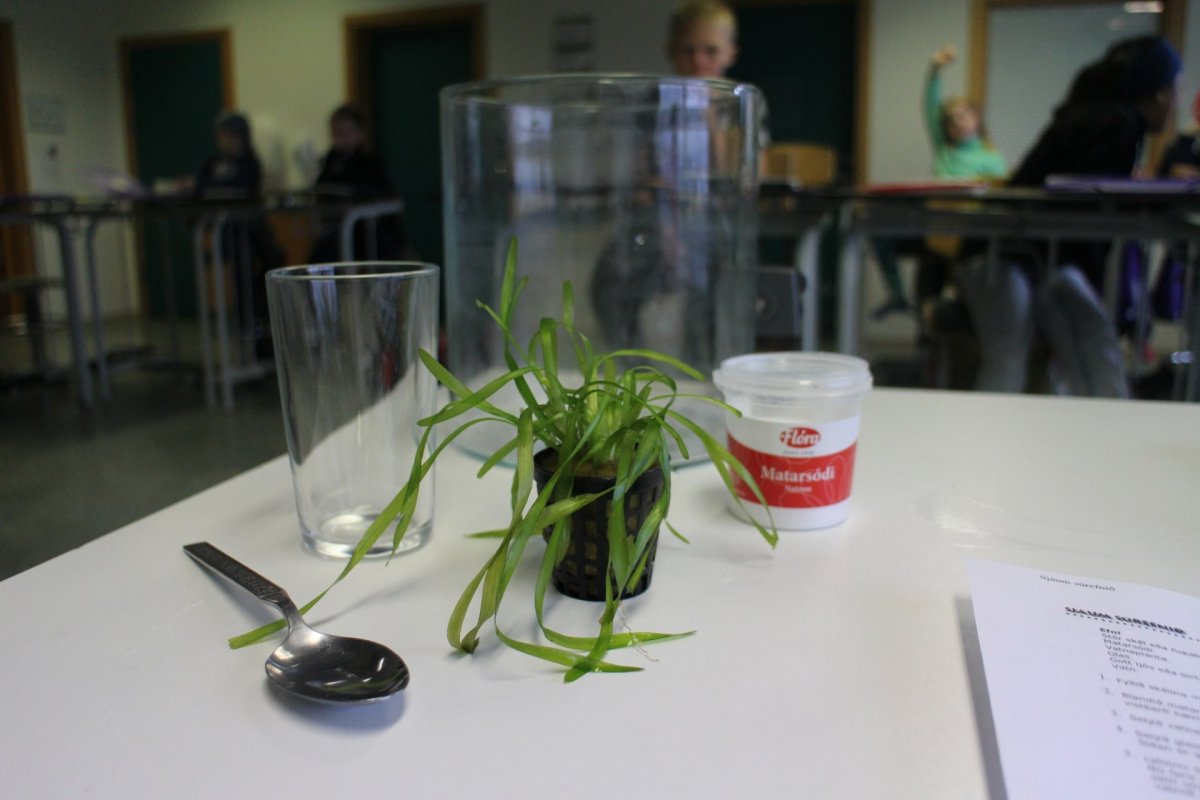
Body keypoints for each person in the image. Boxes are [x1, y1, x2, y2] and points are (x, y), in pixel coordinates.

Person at [955, 35, 1180, 398]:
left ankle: (1101, 420)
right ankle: (1107, 421)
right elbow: (1086, 214)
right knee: (1024, 355)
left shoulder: (1095, 117)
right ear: (1157, 92)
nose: (1175, 102)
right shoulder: (1116, 125)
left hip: (1034, 256)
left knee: (1076, 346)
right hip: (1010, 255)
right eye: (1174, 89)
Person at [872, 44, 1008, 320]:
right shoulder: (946, 150)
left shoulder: (992, 158)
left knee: (946, 277)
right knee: (880, 229)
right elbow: (930, 107)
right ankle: (897, 295)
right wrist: (935, 69)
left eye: (963, 116)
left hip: (968, 234)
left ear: (976, 118)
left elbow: (997, 199)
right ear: (945, 128)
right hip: (933, 228)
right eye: (951, 120)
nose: (958, 123)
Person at [310, 104, 405, 261]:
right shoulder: (331, 162)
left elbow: (382, 197)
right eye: (336, 133)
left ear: (361, 134)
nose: (341, 139)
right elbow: (321, 190)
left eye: (346, 132)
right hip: (338, 231)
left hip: (370, 234)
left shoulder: (370, 163)